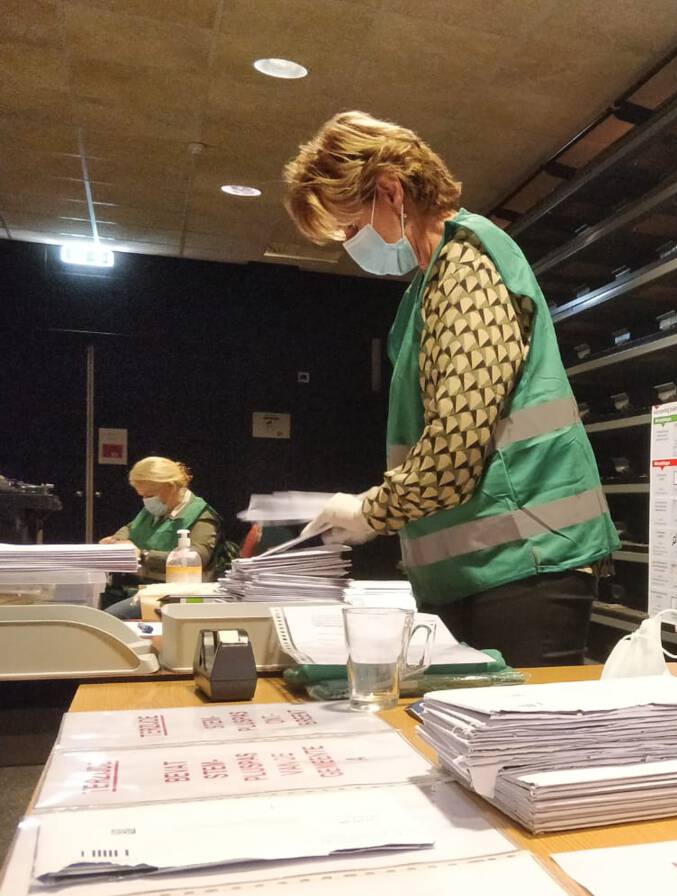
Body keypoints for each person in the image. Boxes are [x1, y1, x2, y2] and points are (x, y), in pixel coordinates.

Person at [282, 112, 618, 667]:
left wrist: (372, 510)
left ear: (391, 191)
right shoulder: (431, 282)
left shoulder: (468, 266)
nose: (348, 244)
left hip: (524, 557)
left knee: (515, 748)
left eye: (348, 226)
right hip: (481, 566)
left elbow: (458, 442)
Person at [100, 456, 221, 618]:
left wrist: (142, 555)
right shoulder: (156, 510)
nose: (146, 501)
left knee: (110, 618)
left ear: (170, 487)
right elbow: (129, 529)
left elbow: (200, 555)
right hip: (138, 587)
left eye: (150, 495)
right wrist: (117, 540)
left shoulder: (202, 515)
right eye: (142, 496)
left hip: (173, 594)